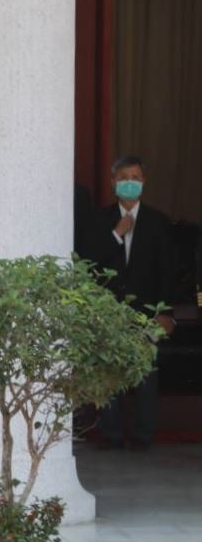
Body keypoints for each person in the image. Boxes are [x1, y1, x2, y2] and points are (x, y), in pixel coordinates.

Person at [83, 155, 181, 451]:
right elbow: (88, 263)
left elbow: (168, 271)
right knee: (110, 374)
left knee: (145, 375)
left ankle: (142, 436)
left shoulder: (157, 221)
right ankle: (111, 435)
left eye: (135, 177)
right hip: (108, 310)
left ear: (144, 182)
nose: (130, 183)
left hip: (146, 311)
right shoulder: (99, 219)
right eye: (124, 177)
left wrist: (167, 313)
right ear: (113, 182)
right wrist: (116, 234)